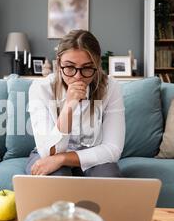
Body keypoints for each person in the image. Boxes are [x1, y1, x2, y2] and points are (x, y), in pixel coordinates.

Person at [26, 30, 125, 177]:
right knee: (56, 178)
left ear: (96, 65)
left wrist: (63, 158)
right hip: (49, 154)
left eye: (86, 68)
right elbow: (48, 152)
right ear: (59, 63)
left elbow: (113, 149)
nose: (78, 77)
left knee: (109, 177)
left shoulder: (111, 87)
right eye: (70, 67)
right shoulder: (40, 88)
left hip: (92, 154)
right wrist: (68, 107)